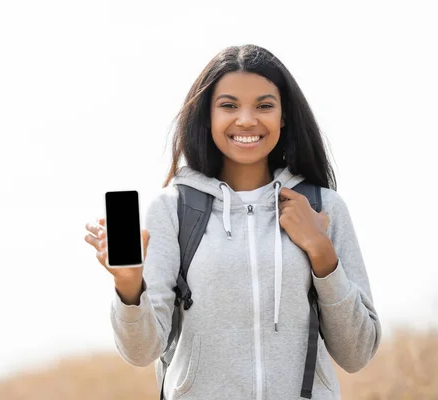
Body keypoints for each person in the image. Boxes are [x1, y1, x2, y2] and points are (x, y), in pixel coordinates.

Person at [84, 44, 381, 400]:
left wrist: (322, 254)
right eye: (228, 105)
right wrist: (130, 287)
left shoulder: (322, 207)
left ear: (283, 116)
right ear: (207, 116)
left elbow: (357, 353)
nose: (246, 120)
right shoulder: (172, 210)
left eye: (264, 106)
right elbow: (141, 351)